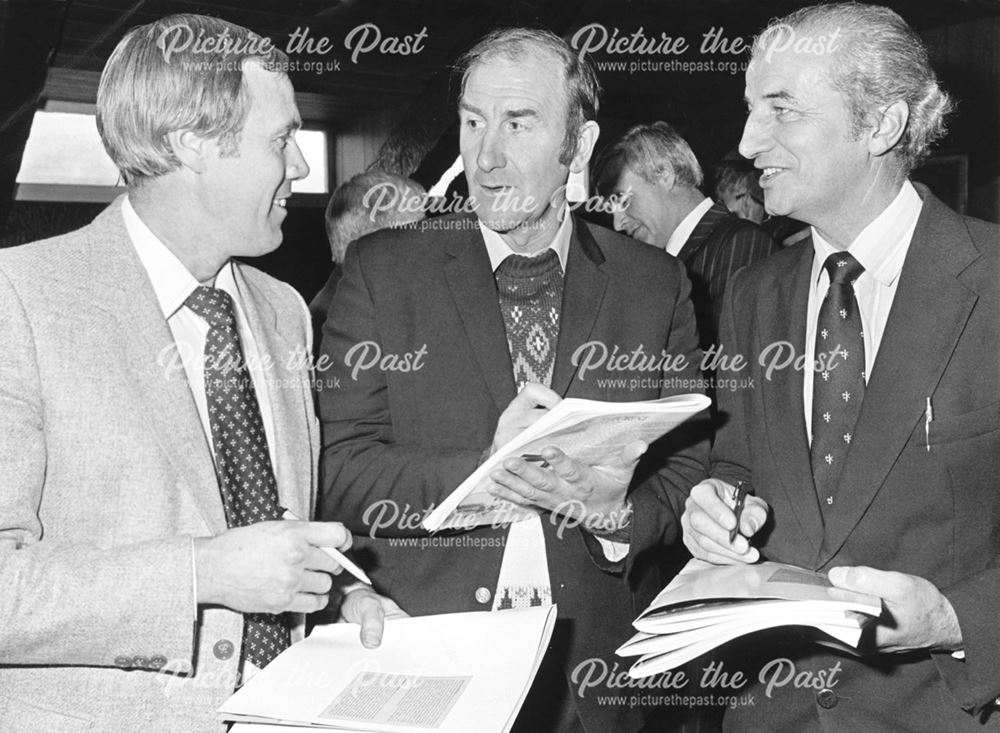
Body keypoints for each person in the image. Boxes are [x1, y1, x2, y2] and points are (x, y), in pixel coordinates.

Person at [0, 14, 398, 732]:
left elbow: (262, 528)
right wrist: (201, 572)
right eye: (280, 140)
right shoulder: (20, 299)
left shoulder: (284, 312)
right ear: (192, 143)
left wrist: (339, 601)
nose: (302, 167)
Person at [318, 27, 709, 732]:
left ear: (580, 148)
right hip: (429, 665)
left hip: (598, 682)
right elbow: (337, 470)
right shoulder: (381, 272)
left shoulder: (655, 282)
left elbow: (686, 466)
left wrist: (612, 512)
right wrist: (484, 472)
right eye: (472, 122)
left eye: (518, 124)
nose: (486, 158)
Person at [681, 4, 1000, 730]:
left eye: (780, 110)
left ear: (881, 126)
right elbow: (738, 467)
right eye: (749, 108)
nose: (746, 140)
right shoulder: (754, 292)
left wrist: (952, 618)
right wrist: (718, 506)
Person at [596, 122, 778, 349]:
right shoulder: (652, 264)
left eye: (622, 200)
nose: (618, 223)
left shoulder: (742, 244)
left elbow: (731, 367)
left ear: (664, 174)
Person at [309, 169, 426, 345]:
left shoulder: (338, 300)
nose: (429, 239)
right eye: (419, 228)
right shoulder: (354, 322)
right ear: (378, 240)